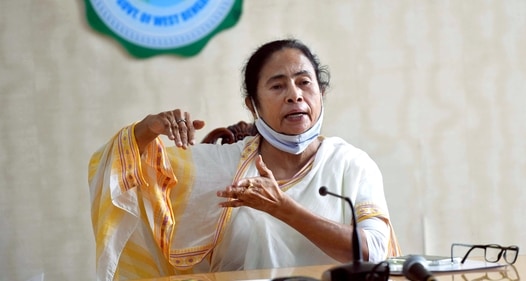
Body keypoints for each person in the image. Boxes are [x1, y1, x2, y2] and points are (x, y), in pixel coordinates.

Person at [88, 38, 401, 281]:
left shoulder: (351, 164)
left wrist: (284, 209)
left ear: (321, 92)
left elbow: (374, 253)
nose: (294, 95)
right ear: (253, 105)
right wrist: (149, 128)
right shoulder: (219, 167)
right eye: (277, 85)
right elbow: (127, 169)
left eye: (305, 82)